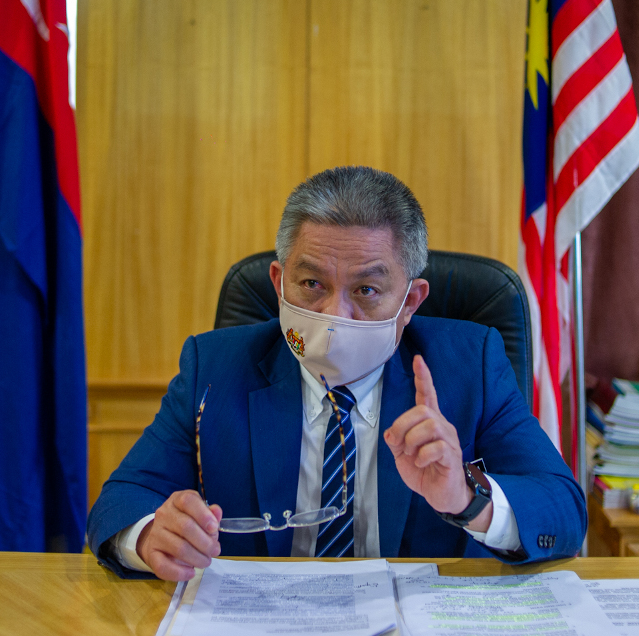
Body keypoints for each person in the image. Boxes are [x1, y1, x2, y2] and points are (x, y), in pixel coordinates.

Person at [87, 166, 586, 580]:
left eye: (366, 291)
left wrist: (465, 497)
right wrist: (151, 534)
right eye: (311, 284)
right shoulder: (214, 367)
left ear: (409, 301)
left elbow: (563, 514)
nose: (335, 315)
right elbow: (120, 502)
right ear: (280, 284)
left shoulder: (469, 363)